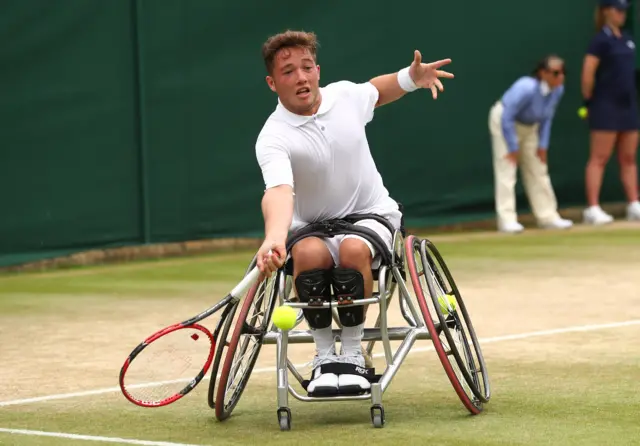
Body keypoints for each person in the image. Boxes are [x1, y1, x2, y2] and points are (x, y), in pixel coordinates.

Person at [253, 30, 453, 396]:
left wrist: (412, 78)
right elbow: (279, 191)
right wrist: (274, 238)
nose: (300, 77)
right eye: (288, 72)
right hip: (312, 225)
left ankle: (352, 353)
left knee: (353, 251)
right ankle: (325, 355)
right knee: (308, 254)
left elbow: (377, 91)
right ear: (272, 82)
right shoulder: (272, 136)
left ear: (317, 70)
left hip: (370, 216)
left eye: (307, 67)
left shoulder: (344, 96)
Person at [488, 55, 573, 234]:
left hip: (530, 127)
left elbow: (547, 118)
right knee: (507, 170)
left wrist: (543, 145)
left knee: (538, 169)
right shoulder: (526, 87)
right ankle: (507, 220)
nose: (561, 77)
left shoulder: (558, 90)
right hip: (504, 122)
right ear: (543, 73)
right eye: (556, 73)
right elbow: (507, 116)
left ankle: (548, 216)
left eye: (563, 72)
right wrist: (512, 147)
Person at [581, 0, 640, 224]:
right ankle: (593, 208)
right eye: (618, 10)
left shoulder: (627, 39)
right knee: (599, 157)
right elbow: (587, 75)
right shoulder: (600, 41)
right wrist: (590, 101)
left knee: (629, 158)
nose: (622, 14)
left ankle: (634, 204)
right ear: (606, 12)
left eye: (624, 10)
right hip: (605, 105)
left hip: (628, 106)